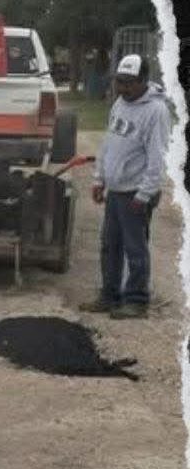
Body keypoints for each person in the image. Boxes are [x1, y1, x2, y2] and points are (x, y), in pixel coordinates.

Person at [80, 54, 170, 319]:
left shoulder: (156, 111)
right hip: (116, 191)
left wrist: (144, 194)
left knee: (135, 248)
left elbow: (157, 158)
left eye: (129, 83)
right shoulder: (120, 102)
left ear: (144, 81)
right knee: (110, 245)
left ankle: (137, 301)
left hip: (137, 193)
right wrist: (99, 178)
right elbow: (109, 144)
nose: (123, 88)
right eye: (120, 81)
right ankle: (109, 296)